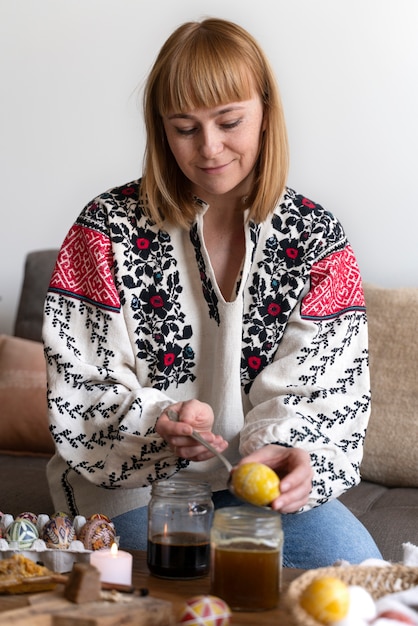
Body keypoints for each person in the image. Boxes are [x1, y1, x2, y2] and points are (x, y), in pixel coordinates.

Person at [43, 17, 382, 567]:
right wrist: (157, 422)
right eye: (184, 128)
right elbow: (80, 389)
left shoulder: (318, 238)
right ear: (159, 129)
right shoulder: (101, 230)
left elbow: (328, 392)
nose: (209, 148)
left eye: (229, 121)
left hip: (259, 487)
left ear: (266, 113)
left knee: (358, 574)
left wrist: (289, 449)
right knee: (170, 581)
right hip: (130, 491)